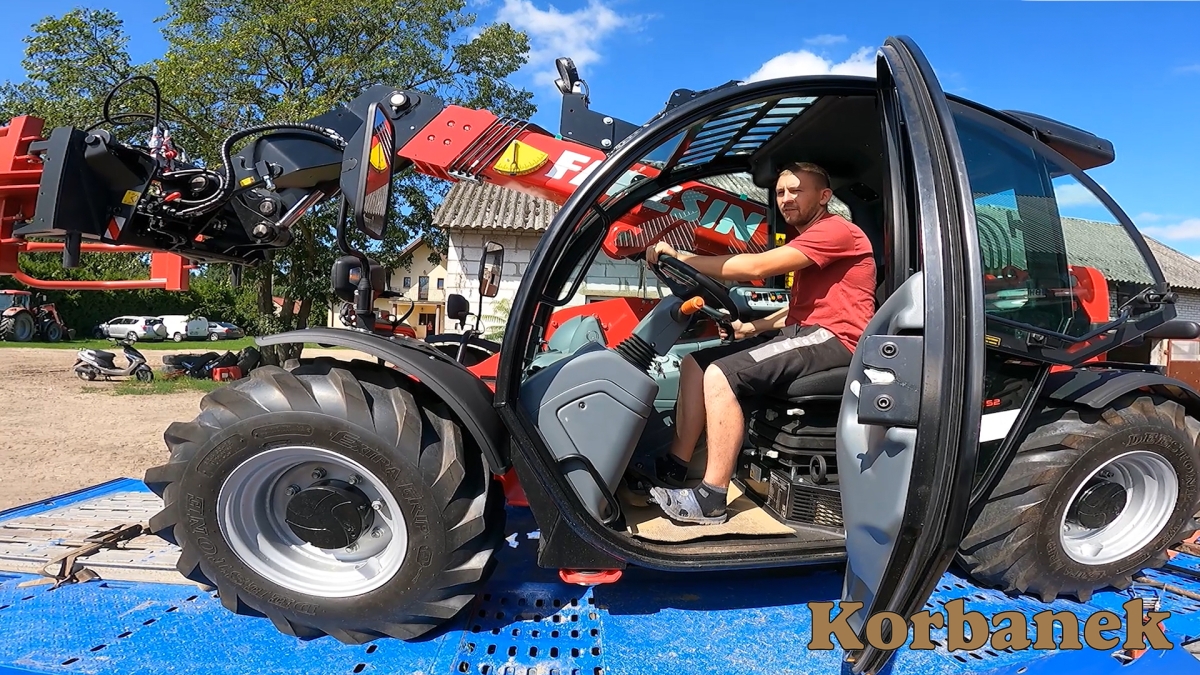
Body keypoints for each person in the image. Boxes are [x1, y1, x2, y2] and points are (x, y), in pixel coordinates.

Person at [642, 161, 877, 525]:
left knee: (721, 374)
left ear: (824, 196)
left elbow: (756, 268)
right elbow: (798, 311)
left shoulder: (836, 231)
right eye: (781, 192)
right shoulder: (811, 241)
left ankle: (711, 499)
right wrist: (752, 329)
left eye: (796, 191)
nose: (786, 199)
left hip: (837, 338)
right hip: (808, 332)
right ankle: (676, 465)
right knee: (696, 365)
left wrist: (686, 258)